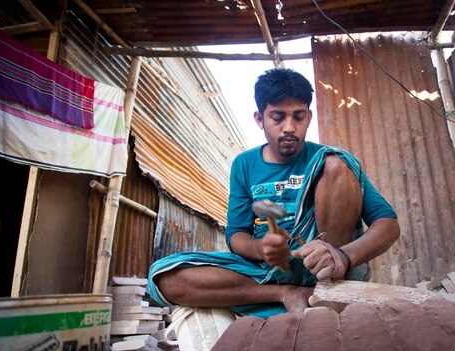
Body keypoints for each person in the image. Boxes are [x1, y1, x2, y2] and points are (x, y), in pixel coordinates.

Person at [147, 68, 400, 318]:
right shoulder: (244, 164)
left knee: (336, 166)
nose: (289, 127)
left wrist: (343, 256)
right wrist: (261, 250)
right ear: (260, 119)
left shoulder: (328, 160)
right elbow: (236, 234)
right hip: (267, 272)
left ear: (309, 117)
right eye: (278, 117)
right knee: (166, 278)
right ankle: (287, 294)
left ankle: (327, 290)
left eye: (298, 117)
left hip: (329, 269)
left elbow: (388, 225)